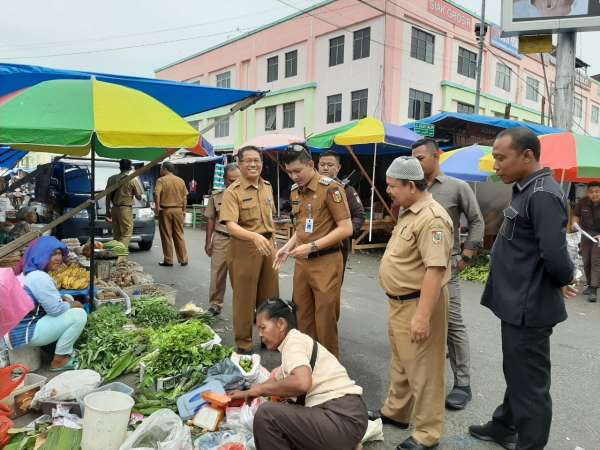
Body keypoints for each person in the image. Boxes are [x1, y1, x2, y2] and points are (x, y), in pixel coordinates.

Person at [469, 128, 576, 450]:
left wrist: (564, 281)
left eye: (501, 158)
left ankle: (530, 444)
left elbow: (556, 257)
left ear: (527, 156)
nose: (495, 165)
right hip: (517, 303)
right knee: (518, 371)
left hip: (529, 308)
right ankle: (504, 425)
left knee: (530, 385)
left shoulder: (542, 194)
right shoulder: (527, 188)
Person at [371, 156, 453, 450]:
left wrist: (422, 316)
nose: (389, 191)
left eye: (393, 186)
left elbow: (435, 269)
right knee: (403, 363)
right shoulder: (410, 211)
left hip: (419, 303)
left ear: (411, 185)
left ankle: (427, 433)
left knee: (425, 370)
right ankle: (397, 412)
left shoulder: (432, 217)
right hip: (400, 302)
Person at [229, 298, 367, 450]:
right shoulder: (295, 344)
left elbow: (302, 382)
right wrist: (247, 393)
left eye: (263, 327)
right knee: (282, 416)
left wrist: (260, 390)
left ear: (281, 324)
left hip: (342, 419)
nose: (260, 335)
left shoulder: (294, 342)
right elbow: (275, 380)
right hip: (346, 420)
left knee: (266, 415)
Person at [412, 138, 484, 410]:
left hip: (445, 267)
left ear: (436, 156)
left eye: (420, 158)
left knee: (453, 322)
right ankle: (421, 378)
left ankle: (462, 383)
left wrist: (466, 254)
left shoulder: (457, 187)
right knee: (419, 320)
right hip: (416, 268)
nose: (416, 163)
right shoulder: (412, 188)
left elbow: (476, 221)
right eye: (413, 159)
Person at [274, 144, 352, 358]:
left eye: (297, 171)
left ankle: (329, 369)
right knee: (302, 316)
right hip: (302, 263)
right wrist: (287, 247)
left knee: (325, 319)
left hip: (326, 261)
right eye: (289, 172)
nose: (293, 176)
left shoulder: (331, 188)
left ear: (310, 164)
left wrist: (313, 246)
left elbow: (346, 228)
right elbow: (302, 228)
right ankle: (307, 362)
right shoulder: (294, 191)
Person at [220, 146, 279, 354]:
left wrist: (272, 239)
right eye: (248, 161)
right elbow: (231, 225)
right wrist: (254, 236)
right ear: (240, 163)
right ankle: (244, 343)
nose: (253, 164)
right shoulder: (232, 192)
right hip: (244, 247)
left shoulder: (267, 186)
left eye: (257, 160)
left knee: (270, 297)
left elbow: (270, 217)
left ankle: (268, 337)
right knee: (245, 299)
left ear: (262, 163)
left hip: (268, 247)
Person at [4, 236, 87, 371]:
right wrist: (73, 305)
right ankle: (60, 360)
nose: (58, 258)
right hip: (25, 334)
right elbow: (55, 310)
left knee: (66, 298)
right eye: (53, 254)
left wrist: (65, 300)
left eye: (60, 254)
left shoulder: (26, 273)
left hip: (14, 332)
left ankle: (52, 350)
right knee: (79, 315)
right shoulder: (39, 277)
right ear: (41, 254)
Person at [317, 150, 365, 275]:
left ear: (338, 168)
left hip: (336, 248)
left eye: (330, 165)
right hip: (312, 245)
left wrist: (345, 232)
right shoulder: (310, 189)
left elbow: (359, 215)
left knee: (331, 286)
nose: (325, 168)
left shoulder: (345, 190)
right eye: (322, 164)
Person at [204, 163, 240, 316]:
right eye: (231, 180)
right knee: (217, 273)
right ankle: (215, 304)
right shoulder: (217, 196)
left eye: (238, 179)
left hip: (241, 240)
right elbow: (211, 220)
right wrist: (208, 242)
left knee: (242, 276)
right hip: (221, 238)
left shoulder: (247, 195)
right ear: (225, 180)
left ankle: (246, 306)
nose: (234, 183)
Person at [154, 162, 188, 267]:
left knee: (166, 235)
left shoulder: (161, 180)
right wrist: (184, 210)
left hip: (166, 210)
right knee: (179, 234)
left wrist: (157, 207)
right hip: (178, 210)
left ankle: (168, 260)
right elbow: (185, 197)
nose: (160, 171)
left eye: (161, 168)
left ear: (165, 169)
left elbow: (156, 193)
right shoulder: (180, 180)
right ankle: (183, 259)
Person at [105, 159, 143, 251]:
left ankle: (116, 254)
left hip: (114, 209)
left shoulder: (111, 179)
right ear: (130, 168)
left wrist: (107, 211)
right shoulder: (132, 180)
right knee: (126, 233)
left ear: (120, 168)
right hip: (125, 209)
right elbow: (139, 197)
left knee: (117, 234)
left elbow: (107, 196)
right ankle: (121, 256)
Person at [572, 182, 600, 302]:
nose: (594, 194)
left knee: (595, 260)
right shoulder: (582, 202)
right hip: (586, 234)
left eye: (597, 192)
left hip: (599, 236)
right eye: (591, 192)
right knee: (586, 260)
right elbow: (576, 215)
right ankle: (589, 285)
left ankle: (594, 289)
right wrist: (574, 223)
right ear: (588, 193)